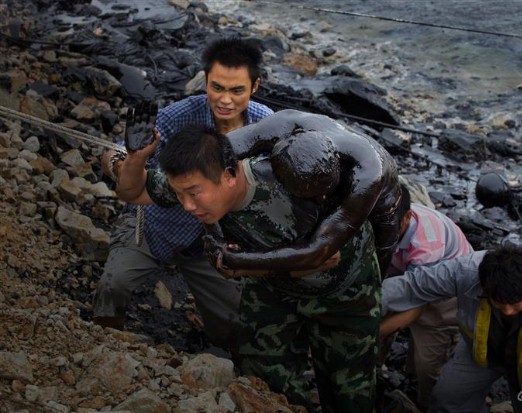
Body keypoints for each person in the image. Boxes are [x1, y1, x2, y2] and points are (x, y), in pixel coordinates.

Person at [116, 123, 382, 413]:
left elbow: (316, 262)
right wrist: (136, 157)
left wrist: (239, 267)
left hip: (344, 291)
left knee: (349, 394)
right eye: (180, 196)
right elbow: (134, 191)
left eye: (194, 194)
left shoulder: (292, 185)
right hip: (274, 291)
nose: (188, 206)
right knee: (264, 383)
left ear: (230, 174)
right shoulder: (193, 179)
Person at [92, 36, 274, 351]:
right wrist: (128, 158)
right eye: (217, 88)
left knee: (234, 325)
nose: (225, 100)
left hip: (213, 242)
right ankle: (104, 343)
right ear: (205, 80)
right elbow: (114, 157)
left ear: (254, 86)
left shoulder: (267, 125)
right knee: (114, 284)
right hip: (154, 225)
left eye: (236, 91)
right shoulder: (177, 117)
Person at [381, 244, 522, 412]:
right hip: (479, 351)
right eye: (499, 302)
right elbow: (413, 285)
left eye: (516, 304)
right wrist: (360, 300)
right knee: (448, 398)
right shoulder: (465, 271)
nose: (508, 311)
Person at [220, 108, 402, 277]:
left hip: (383, 202)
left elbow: (317, 252)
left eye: (322, 195)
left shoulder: (368, 174)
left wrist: (239, 258)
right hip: (322, 161)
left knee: (379, 261)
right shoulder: (283, 123)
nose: (321, 200)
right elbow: (214, 152)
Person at [381, 183, 473, 411]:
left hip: (445, 292)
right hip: (401, 271)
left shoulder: (427, 245)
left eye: (389, 226)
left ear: (407, 217)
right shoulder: (379, 217)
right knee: (376, 314)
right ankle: (372, 367)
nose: (382, 231)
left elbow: (416, 305)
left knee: (428, 363)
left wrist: (372, 331)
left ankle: (428, 404)